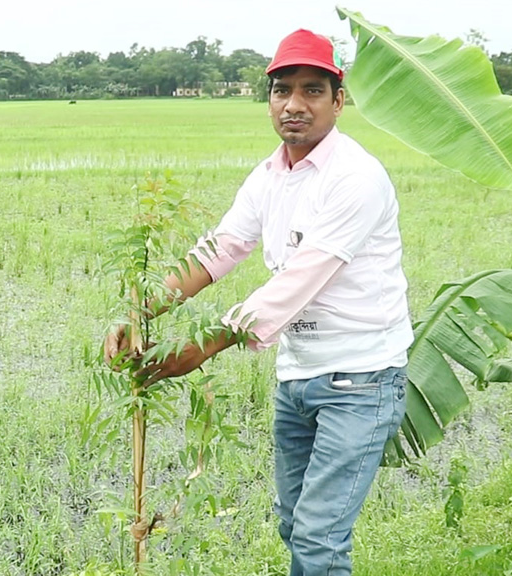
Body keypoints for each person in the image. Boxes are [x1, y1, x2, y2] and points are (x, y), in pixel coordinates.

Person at [103, 29, 413, 576]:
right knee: (295, 524)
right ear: (268, 99)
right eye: (281, 90)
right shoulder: (270, 175)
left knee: (319, 538)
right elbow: (219, 250)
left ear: (339, 100)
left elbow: (299, 280)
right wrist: (140, 312)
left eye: (312, 90)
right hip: (297, 376)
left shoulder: (356, 178)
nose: (294, 105)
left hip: (360, 381)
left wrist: (202, 346)